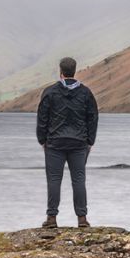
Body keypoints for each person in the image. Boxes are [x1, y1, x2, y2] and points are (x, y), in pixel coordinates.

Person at [36, 56, 99, 229]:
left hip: (55, 143)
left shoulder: (49, 92)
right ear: (74, 70)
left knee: (54, 180)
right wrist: (90, 140)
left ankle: (51, 219)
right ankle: (82, 219)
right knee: (78, 180)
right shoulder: (86, 93)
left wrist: (42, 140)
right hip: (79, 143)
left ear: (61, 71)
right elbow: (92, 117)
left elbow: (42, 118)